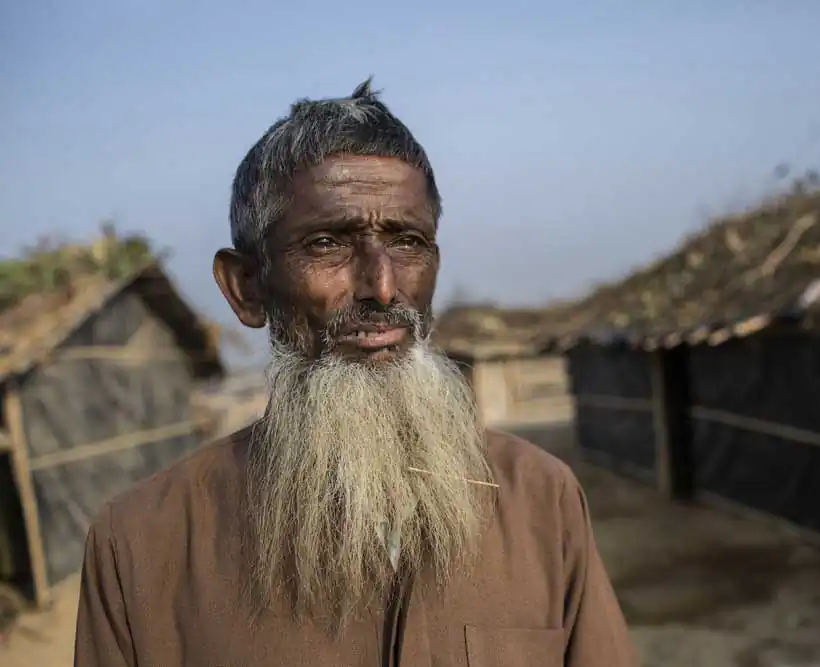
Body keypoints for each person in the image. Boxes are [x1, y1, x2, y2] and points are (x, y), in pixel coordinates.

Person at [73, 79, 637, 667]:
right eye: (327, 244)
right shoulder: (140, 545)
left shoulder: (540, 498)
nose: (382, 286)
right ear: (247, 287)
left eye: (407, 242)